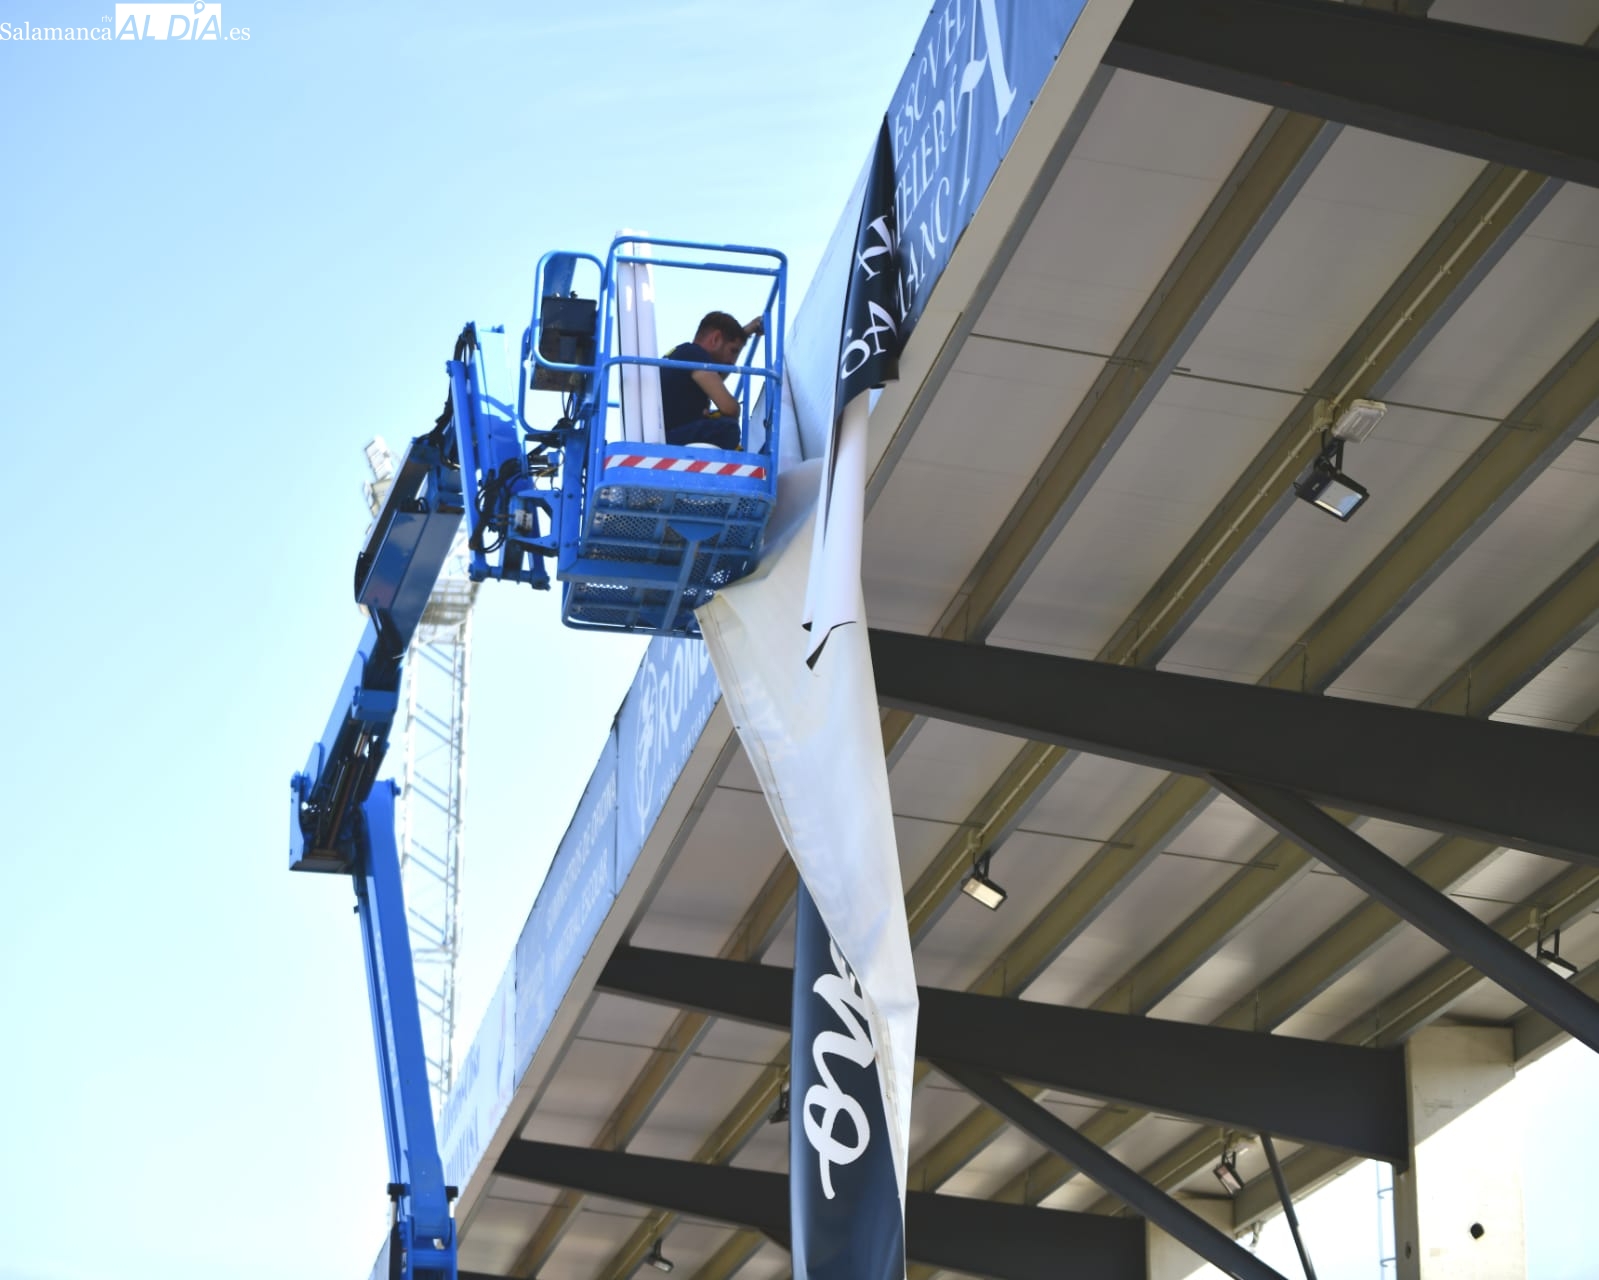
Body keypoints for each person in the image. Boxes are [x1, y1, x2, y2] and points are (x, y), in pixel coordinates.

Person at [659, 310, 764, 450]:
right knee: (728, 428)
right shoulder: (695, 354)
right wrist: (729, 412)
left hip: (665, 434)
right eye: (733, 351)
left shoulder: (682, 354)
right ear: (715, 339)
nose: (733, 362)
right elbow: (730, 408)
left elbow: (718, 377)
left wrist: (744, 333)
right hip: (671, 438)